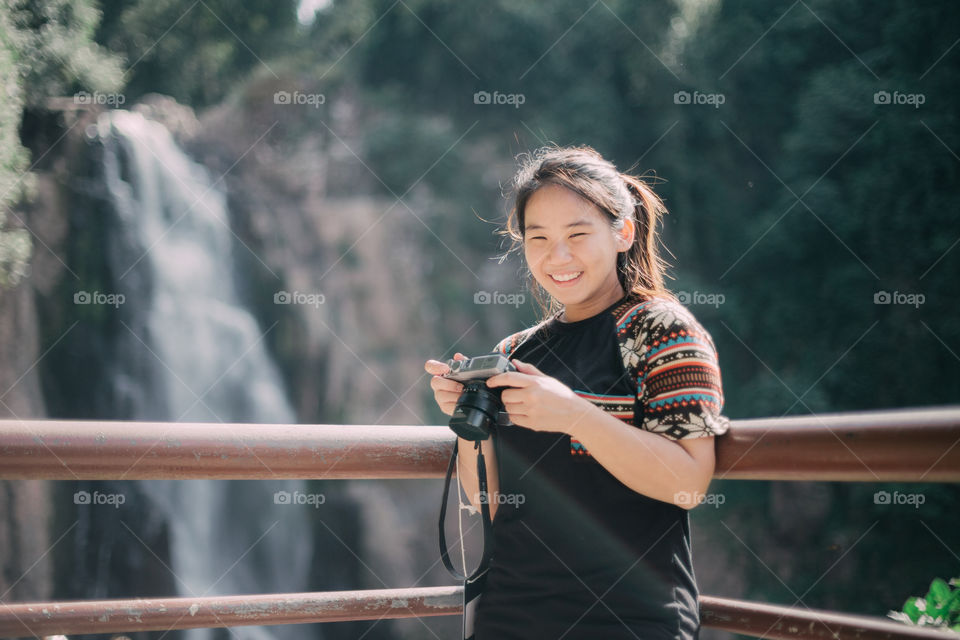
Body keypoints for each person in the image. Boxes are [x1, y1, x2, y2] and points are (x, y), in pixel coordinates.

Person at [424, 145, 731, 640]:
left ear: (622, 232)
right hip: (511, 615)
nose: (557, 256)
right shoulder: (516, 350)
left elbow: (690, 483)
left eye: (577, 234)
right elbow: (492, 503)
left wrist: (574, 414)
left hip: (628, 621)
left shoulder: (658, 330)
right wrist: (468, 422)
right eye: (538, 237)